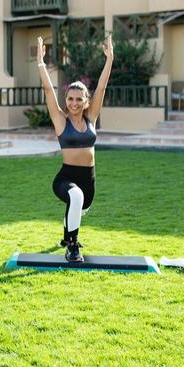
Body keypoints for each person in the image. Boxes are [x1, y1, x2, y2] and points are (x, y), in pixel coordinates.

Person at [36, 34, 114, 262]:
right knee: (75, 196)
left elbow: (101, 87)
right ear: (66, 100)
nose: (74, 103)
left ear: (86, 101)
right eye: (70, 99)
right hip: (65, 178)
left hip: (89, 179)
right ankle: (72, 247)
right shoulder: (61, 121)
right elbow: (49, 91)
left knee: (79, 205)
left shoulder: (91, 118)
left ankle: (68, 226)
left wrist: (109, 59)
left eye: (79, 99)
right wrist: (41, 62)